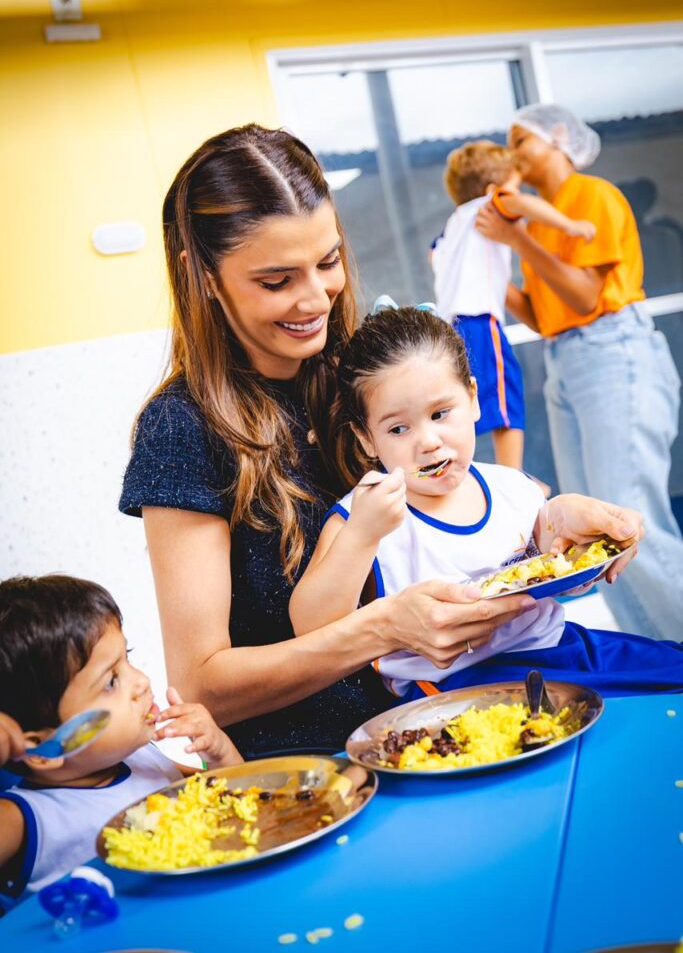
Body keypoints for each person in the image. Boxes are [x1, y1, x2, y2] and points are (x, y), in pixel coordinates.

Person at [118, 124, 647, 759]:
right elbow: (203, 687)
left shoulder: (356, 370)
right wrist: (383, 630)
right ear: (202, 274)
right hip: (318, 765)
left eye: (328, 262)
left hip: (454, 717)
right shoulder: (181, 427)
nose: (315, 298)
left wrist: (548, 522)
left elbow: (454, 501)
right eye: (276, 280)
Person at [291, 306, 683, 700]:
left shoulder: (511, 486)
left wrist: (588, 536)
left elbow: (546, 560)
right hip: (456, 688)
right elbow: (311, 629)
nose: (428, 441)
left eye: (440, 413)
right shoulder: (361, 517)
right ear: (366, 438)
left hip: (558, 648)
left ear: (474, 399)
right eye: (398, 428)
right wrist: (361, 535)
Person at [475, 104, 683, 641]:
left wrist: (517, 240)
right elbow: (543, 314)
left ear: (559, 137)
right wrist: (477, 268)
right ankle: (662, 656)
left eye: (522, 139)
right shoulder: (537, 219)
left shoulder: (593, 196)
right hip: (565, 357)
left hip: (612, 349)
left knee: (630, 519)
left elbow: (586, 295)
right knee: (598, 531)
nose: (513, 153)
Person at [0, 575, 242, 910]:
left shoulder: (145, 760)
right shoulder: (24, 819)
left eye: (127, 658)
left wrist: (219, 751)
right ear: (42, 751)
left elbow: (240, 799)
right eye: (111, 681)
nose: (141, 682)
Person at [433, 140, 595, 472]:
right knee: (506, 393)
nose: (517, 196)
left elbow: (433, 254)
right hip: (479, 319)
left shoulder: (454, 224)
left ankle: (479, 472)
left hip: (451, 324)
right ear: (494, 190)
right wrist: (570, 226)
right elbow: (523, 205)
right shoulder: (490, 205)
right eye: (515, 187)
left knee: (469, 398)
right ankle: (513, 473)